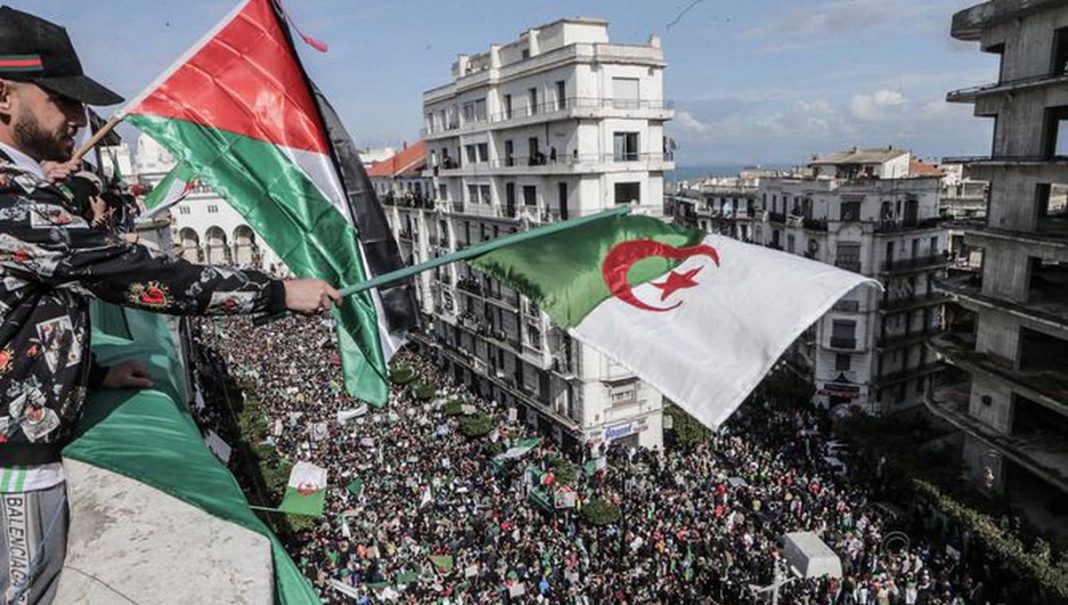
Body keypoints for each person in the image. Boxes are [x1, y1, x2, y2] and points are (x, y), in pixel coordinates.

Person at [0, 7, 340, 603]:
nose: (80, 119)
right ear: (4, 96)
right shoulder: (9, 201)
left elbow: (25, 308)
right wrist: (278, 292)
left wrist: (92, 372)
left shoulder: (24, 191)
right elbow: (137, 274)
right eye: (62, 100)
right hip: (15, 466)